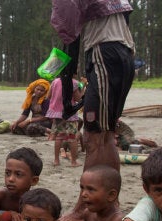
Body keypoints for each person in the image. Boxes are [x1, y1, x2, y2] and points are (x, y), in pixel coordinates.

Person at [51, 0, 135, 171]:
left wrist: (65, 76)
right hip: (123, 54)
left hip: (104, 53)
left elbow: (67, 31)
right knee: (106, 134)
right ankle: (103, 194)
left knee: (95, 135)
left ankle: (94, 193)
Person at [46, 78, 83, 167]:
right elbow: (78, 98)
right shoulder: (74, 82)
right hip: (69, 114)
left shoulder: (55, 81)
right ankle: (73, 162)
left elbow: (49, 96)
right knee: (72, 138)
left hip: (57, 114)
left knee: (59, 137)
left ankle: (56, 160)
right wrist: (83, 87)